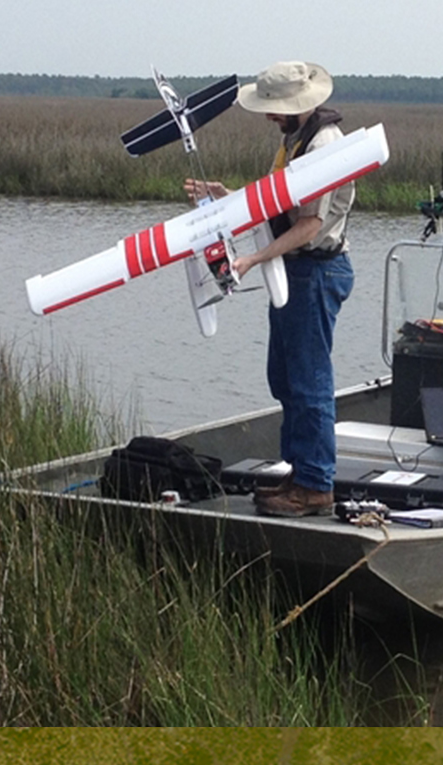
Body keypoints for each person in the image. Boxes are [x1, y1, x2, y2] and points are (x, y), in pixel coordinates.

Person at [185, 61, 355, 518]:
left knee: (309, 382)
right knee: (283, 377)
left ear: (297, 105)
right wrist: (227, 196)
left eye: (274, 108)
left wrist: (254, 259)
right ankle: (299, 470)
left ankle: (316, 485)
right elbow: (275, 207)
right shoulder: (294, 140)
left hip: (316, 270)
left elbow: (309, 225)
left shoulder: (321, 147)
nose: (268, 116)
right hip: (295, 271)